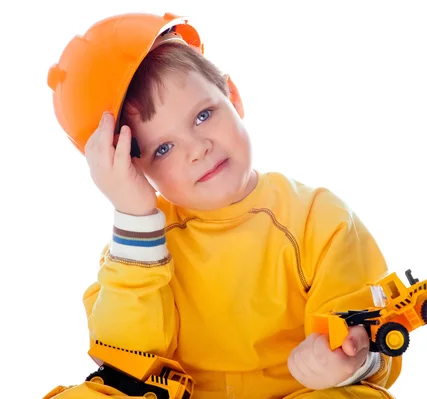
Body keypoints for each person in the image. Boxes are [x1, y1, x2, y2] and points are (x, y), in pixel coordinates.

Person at [44, 11, 402, 399]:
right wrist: (135, 216)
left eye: (203, 115)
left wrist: (352, 356)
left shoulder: (319, 218)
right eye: (163, 148)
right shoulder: (140, 245)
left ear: (233, 97)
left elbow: (375, 333)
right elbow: (126, 357)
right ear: (132, 168)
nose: (198, 150)